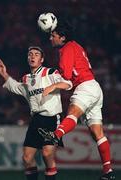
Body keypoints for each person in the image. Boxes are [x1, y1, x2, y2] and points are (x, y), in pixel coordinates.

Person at [38, 21, 116, 180]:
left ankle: (55, 135)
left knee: (72, 113)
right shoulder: (76, 45)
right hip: (94, 87)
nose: (50, 39)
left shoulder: (66, 49)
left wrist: (51, 80)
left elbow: (66, 75)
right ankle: (108, 171)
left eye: (53, 36)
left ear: (63, 38)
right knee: (97, 133)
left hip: (84, 87)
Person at [0, 46, 72, 180]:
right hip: (36, 120)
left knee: (47, 154)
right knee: (27, 158)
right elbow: (16, 88)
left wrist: (53, 86)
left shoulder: (50, 72)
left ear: (41, 59)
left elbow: (67, 84)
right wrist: (4, 74)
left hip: (52, 118)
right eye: (30, 54)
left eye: (36, 54)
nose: (32, 56)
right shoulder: (26, 78)